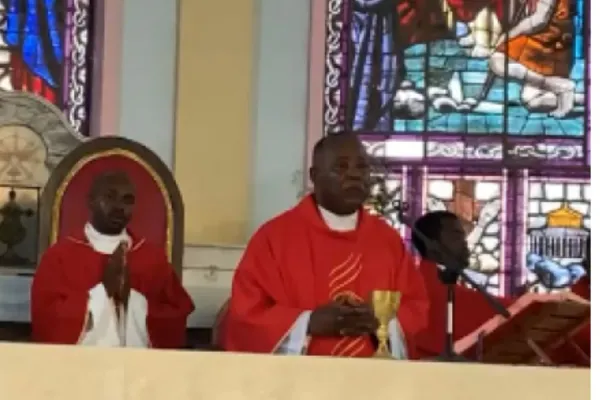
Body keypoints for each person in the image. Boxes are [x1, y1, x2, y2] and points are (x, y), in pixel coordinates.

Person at [221, 134, 429, 358]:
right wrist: (308, 323)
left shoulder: (388, 241)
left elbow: (416, 308)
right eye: (341, 167)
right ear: (314, 175)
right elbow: (247, 314)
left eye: (362, 167)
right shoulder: (274, 238)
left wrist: (382, 324)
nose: (354, 174)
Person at [31, 171, 194, 348]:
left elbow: (175, 318)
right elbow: (46, 320)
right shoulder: (60, 257)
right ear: (91, 201)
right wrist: (102, 293)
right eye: (110, 197)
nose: (119, 207)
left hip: (139, 370)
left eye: (127, 200)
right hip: (80, 368)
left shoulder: (152, 258)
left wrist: (133, 301)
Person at [411, 211, 513, 359]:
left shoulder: (452, 278)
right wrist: (531, 302)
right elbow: (477, 306)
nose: (464, 241)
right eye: (456, 235)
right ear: (431, 243)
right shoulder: (424, 286)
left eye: (463, 235)